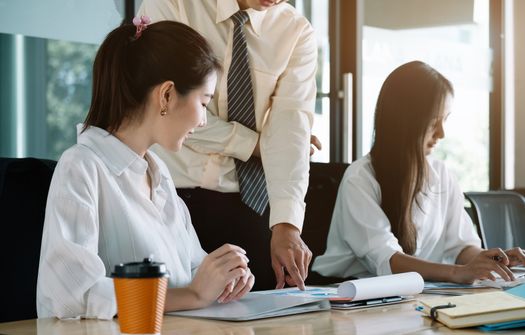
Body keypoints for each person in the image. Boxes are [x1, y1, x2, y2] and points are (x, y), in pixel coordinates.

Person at [36, 18, 254, 320]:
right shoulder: (81, 167)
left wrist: (224, 276)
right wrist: (193, 295)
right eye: (203, 103)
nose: (203, 120)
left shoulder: (159, 174)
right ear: (166, 95)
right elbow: (73, 296)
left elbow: (191, 269)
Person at [137, 0, 319, 290]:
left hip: (252, 203)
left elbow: (291, 128)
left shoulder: (295, 31)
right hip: (169, 197)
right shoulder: (175, 4)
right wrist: (258, 144)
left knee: (258, 323)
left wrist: (287, 224)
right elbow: (166, 108)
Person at [313, 61, 525, 283]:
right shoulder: (360, 178)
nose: (441, 133)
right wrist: (457, 273)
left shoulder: (442, 174)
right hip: (348, 294)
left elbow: (461, 246)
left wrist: (491, 261)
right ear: (405, 122)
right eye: (434, 122)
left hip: (415, 293)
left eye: (445, 120)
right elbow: (387, 260)